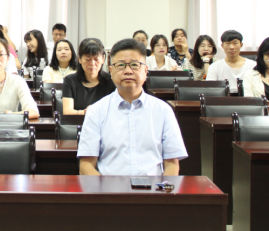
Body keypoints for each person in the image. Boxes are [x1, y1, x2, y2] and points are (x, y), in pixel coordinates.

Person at [78, 38, 187, 176]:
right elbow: (86, 165)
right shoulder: (96, 111)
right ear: (111, 71)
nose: (128, 71)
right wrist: (105, 189)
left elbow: (172, 164)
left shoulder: (163, 110)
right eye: (120, 65)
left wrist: (161, 190)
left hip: (154, 188)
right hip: (109, 187)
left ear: (145, 70)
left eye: (135, 65)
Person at [63, 38, 116, 115]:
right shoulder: (70, 80)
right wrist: (85, 112)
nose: (92, 63)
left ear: (103, 59)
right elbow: (67, 111)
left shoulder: (111, 80)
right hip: (78, 121)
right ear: (79, 59)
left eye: (96, 59)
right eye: (88, 59)